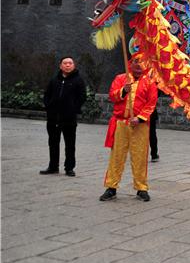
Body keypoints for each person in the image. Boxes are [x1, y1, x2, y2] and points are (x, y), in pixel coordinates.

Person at [99, 55, 158, 202]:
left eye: (143, 62)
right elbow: (112, 96)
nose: (139, 65)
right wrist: (123, 91)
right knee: (117, 155)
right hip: (121, 123)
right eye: (136, 62)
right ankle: (111, 187)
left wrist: (139, 118)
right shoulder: (120, 78)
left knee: (140, 156)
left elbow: (151, 104)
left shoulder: (150, 82)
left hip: (140, 125)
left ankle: (141, 188)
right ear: (130, 64)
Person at [41, 56, 86, 177]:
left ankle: (69, 168)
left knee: (70, 144)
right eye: (65, 63)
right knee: (53, 142)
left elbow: (82, 97)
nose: (67, 65)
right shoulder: (54, 79)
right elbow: (47, 95)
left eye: (70, 63)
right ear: (60, 65)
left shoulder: (78, 80)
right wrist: (48, 107)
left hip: (69, 118)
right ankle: (53, 166)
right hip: (53, 117)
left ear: (74, 65)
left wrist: (73, 109)